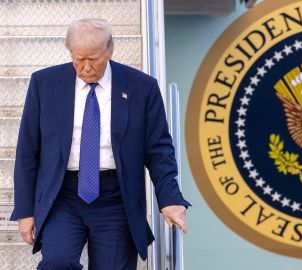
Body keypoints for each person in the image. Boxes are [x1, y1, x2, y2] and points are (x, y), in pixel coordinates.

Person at [9, 18, 190, 269]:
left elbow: (158, 149)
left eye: (93, 59)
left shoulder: (141, 87)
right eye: (78, 59)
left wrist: (170, 198)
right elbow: (28, 150)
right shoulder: (45, 83)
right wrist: (25, 211)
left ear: (110, 52)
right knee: (57, 262)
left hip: (116, 197)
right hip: (62, 195)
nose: (85, 68)